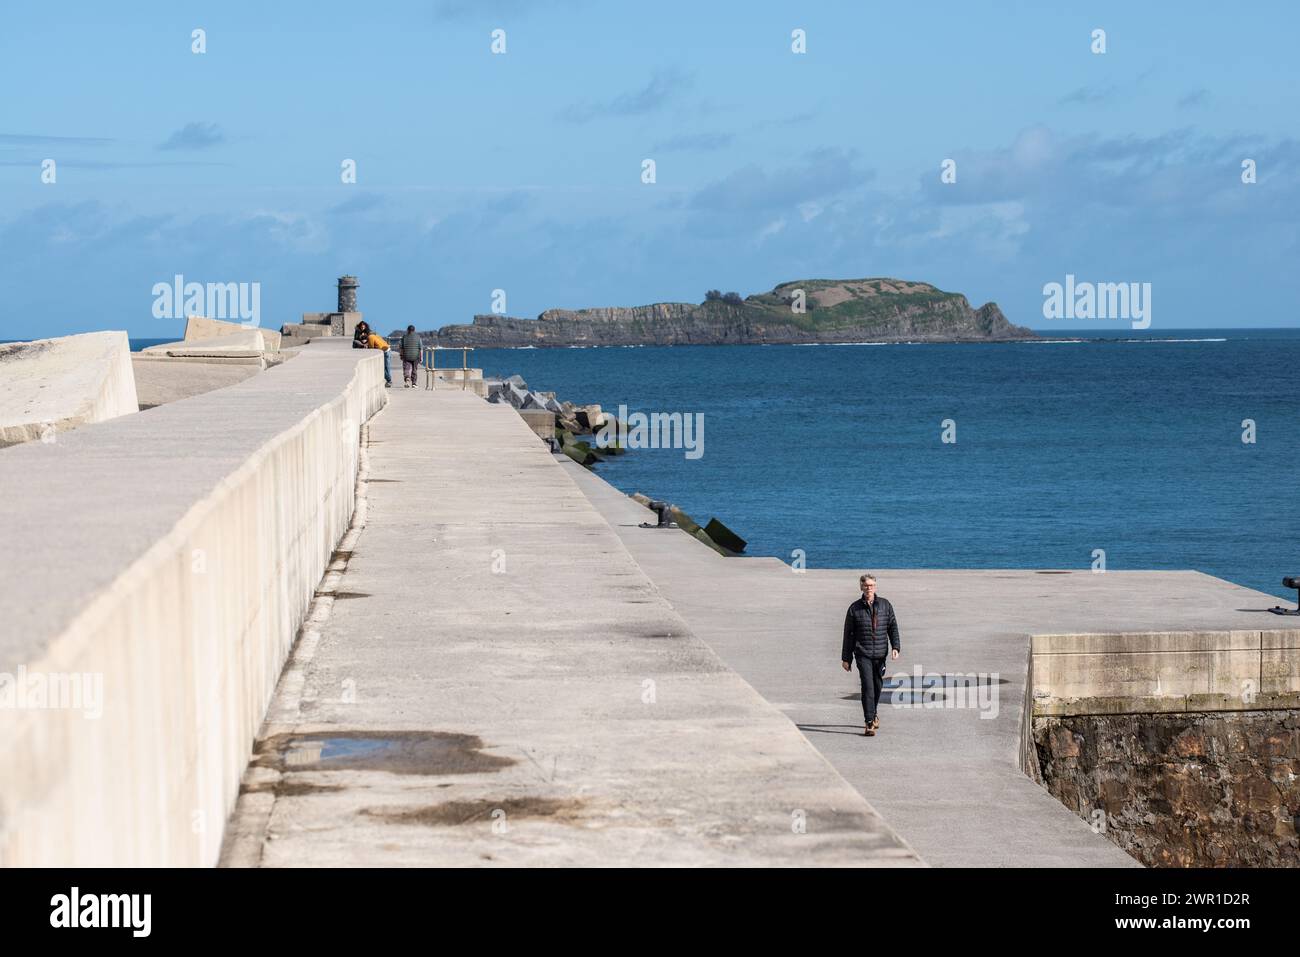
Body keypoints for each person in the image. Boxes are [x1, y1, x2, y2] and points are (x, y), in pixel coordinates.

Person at [840, 573, 900, 736]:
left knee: (877, 686)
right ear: (861, 587)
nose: (869, 588)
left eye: (871, 585)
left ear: (876, 587)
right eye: (866, 586)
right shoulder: (854, 608)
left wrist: (896, 646)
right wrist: (846, 658)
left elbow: (892, 627)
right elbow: (848, 634)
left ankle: (873, 714)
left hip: (880, 654)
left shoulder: (885, 605)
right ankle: (869, 722)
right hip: (862, 653)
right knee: (867, 686)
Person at [399, 324, 422, 389]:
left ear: (408, 330)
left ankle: (407, 378)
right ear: (414, 330)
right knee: (414, 369)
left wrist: (401, 355)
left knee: (406, 368)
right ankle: (414, 383)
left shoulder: (404, 337)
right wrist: (421, 357)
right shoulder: (418, 337)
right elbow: (420, 348)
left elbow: (401, 348)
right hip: (416, 356)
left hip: (406, 356)